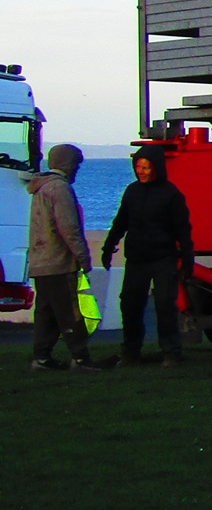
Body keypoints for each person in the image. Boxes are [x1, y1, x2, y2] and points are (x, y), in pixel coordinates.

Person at [102, 148, 193, 366]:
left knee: (165, 305)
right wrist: (108, 247)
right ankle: (130, 352)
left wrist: (188, 259)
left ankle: (171, 352)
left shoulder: (171, 194)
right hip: (136, 259)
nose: (141, 172)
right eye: (138, 167)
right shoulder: (132, 191)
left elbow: (183, 229)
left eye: (146, 167)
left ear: (157, 168)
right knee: (130, 305)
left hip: (163, 258)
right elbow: (120, 222)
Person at [25, 143, 103, 371]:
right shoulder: (59, 189)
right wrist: (83, 257)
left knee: (46, 313)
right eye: (76, 164)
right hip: (59, 263)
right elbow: (69, 228)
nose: (77, 169)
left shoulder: (41, 187)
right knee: (70, 312)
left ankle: (42, 357)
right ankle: (80, 359)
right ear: (68, 164)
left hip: (41, 262)